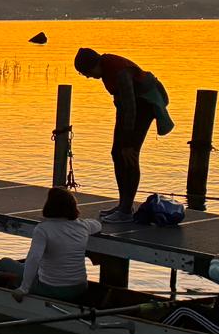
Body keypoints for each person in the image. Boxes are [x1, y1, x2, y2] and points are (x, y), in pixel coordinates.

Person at [73, 48, 172, 223]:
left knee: (129, 156)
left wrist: (127, 143)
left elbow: (131, 108)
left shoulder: (119, 72)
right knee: (116, 153)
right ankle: (123, 204)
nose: (88, 77)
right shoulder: (106, 69)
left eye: (86, 73)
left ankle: (126, 211)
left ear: (93, 65)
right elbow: (124, 106)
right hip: (130, 108)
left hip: (144, 106)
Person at [3, 187, 102, 303]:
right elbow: (98, 225)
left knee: (5, 263)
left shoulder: (43, 230)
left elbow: (34, 258)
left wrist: (24, 288)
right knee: (31, 267)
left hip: (53, 289)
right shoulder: (83, 226)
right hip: (80, 287)